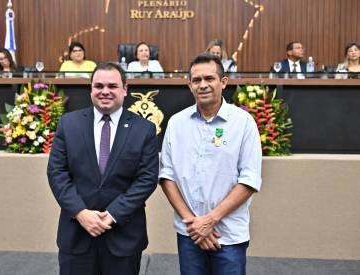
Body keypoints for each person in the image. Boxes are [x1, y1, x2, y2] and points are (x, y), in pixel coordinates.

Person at [47, 62, 159, 275]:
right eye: (98, 86)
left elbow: (146, 178)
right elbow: (57, 172)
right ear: (91, 89)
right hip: (76, 235)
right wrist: (80, 212)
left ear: (125, 89)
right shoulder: (69, 124)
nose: (105, 91)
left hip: (123, 237)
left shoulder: (144, 129)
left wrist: (112, 214)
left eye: (112, 86)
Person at [159, 53, 262, 275]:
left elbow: (249, 179)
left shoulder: (243, 123)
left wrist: (210, 220)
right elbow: (167, 176)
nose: (203, 85)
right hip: (190, 234)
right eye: (196, 80)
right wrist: (194, 223)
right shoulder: (176, 123)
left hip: (229, 235)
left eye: (209, 78)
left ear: (223, 82)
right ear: (189, 85)